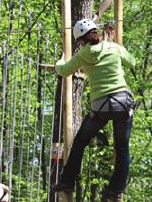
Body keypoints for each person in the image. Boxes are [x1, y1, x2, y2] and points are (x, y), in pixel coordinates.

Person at [53, 19, 136, 201]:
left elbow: (64, 71)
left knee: (81, 141)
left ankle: (67, 181)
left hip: (101, 107)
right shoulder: (113, 47)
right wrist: (115, 43)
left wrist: (59, 62)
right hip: (123, 103)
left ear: (81, 40)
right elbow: (132, 62)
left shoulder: (83, 54)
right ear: (96, 32)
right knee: (122, 149)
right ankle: (115, 189)